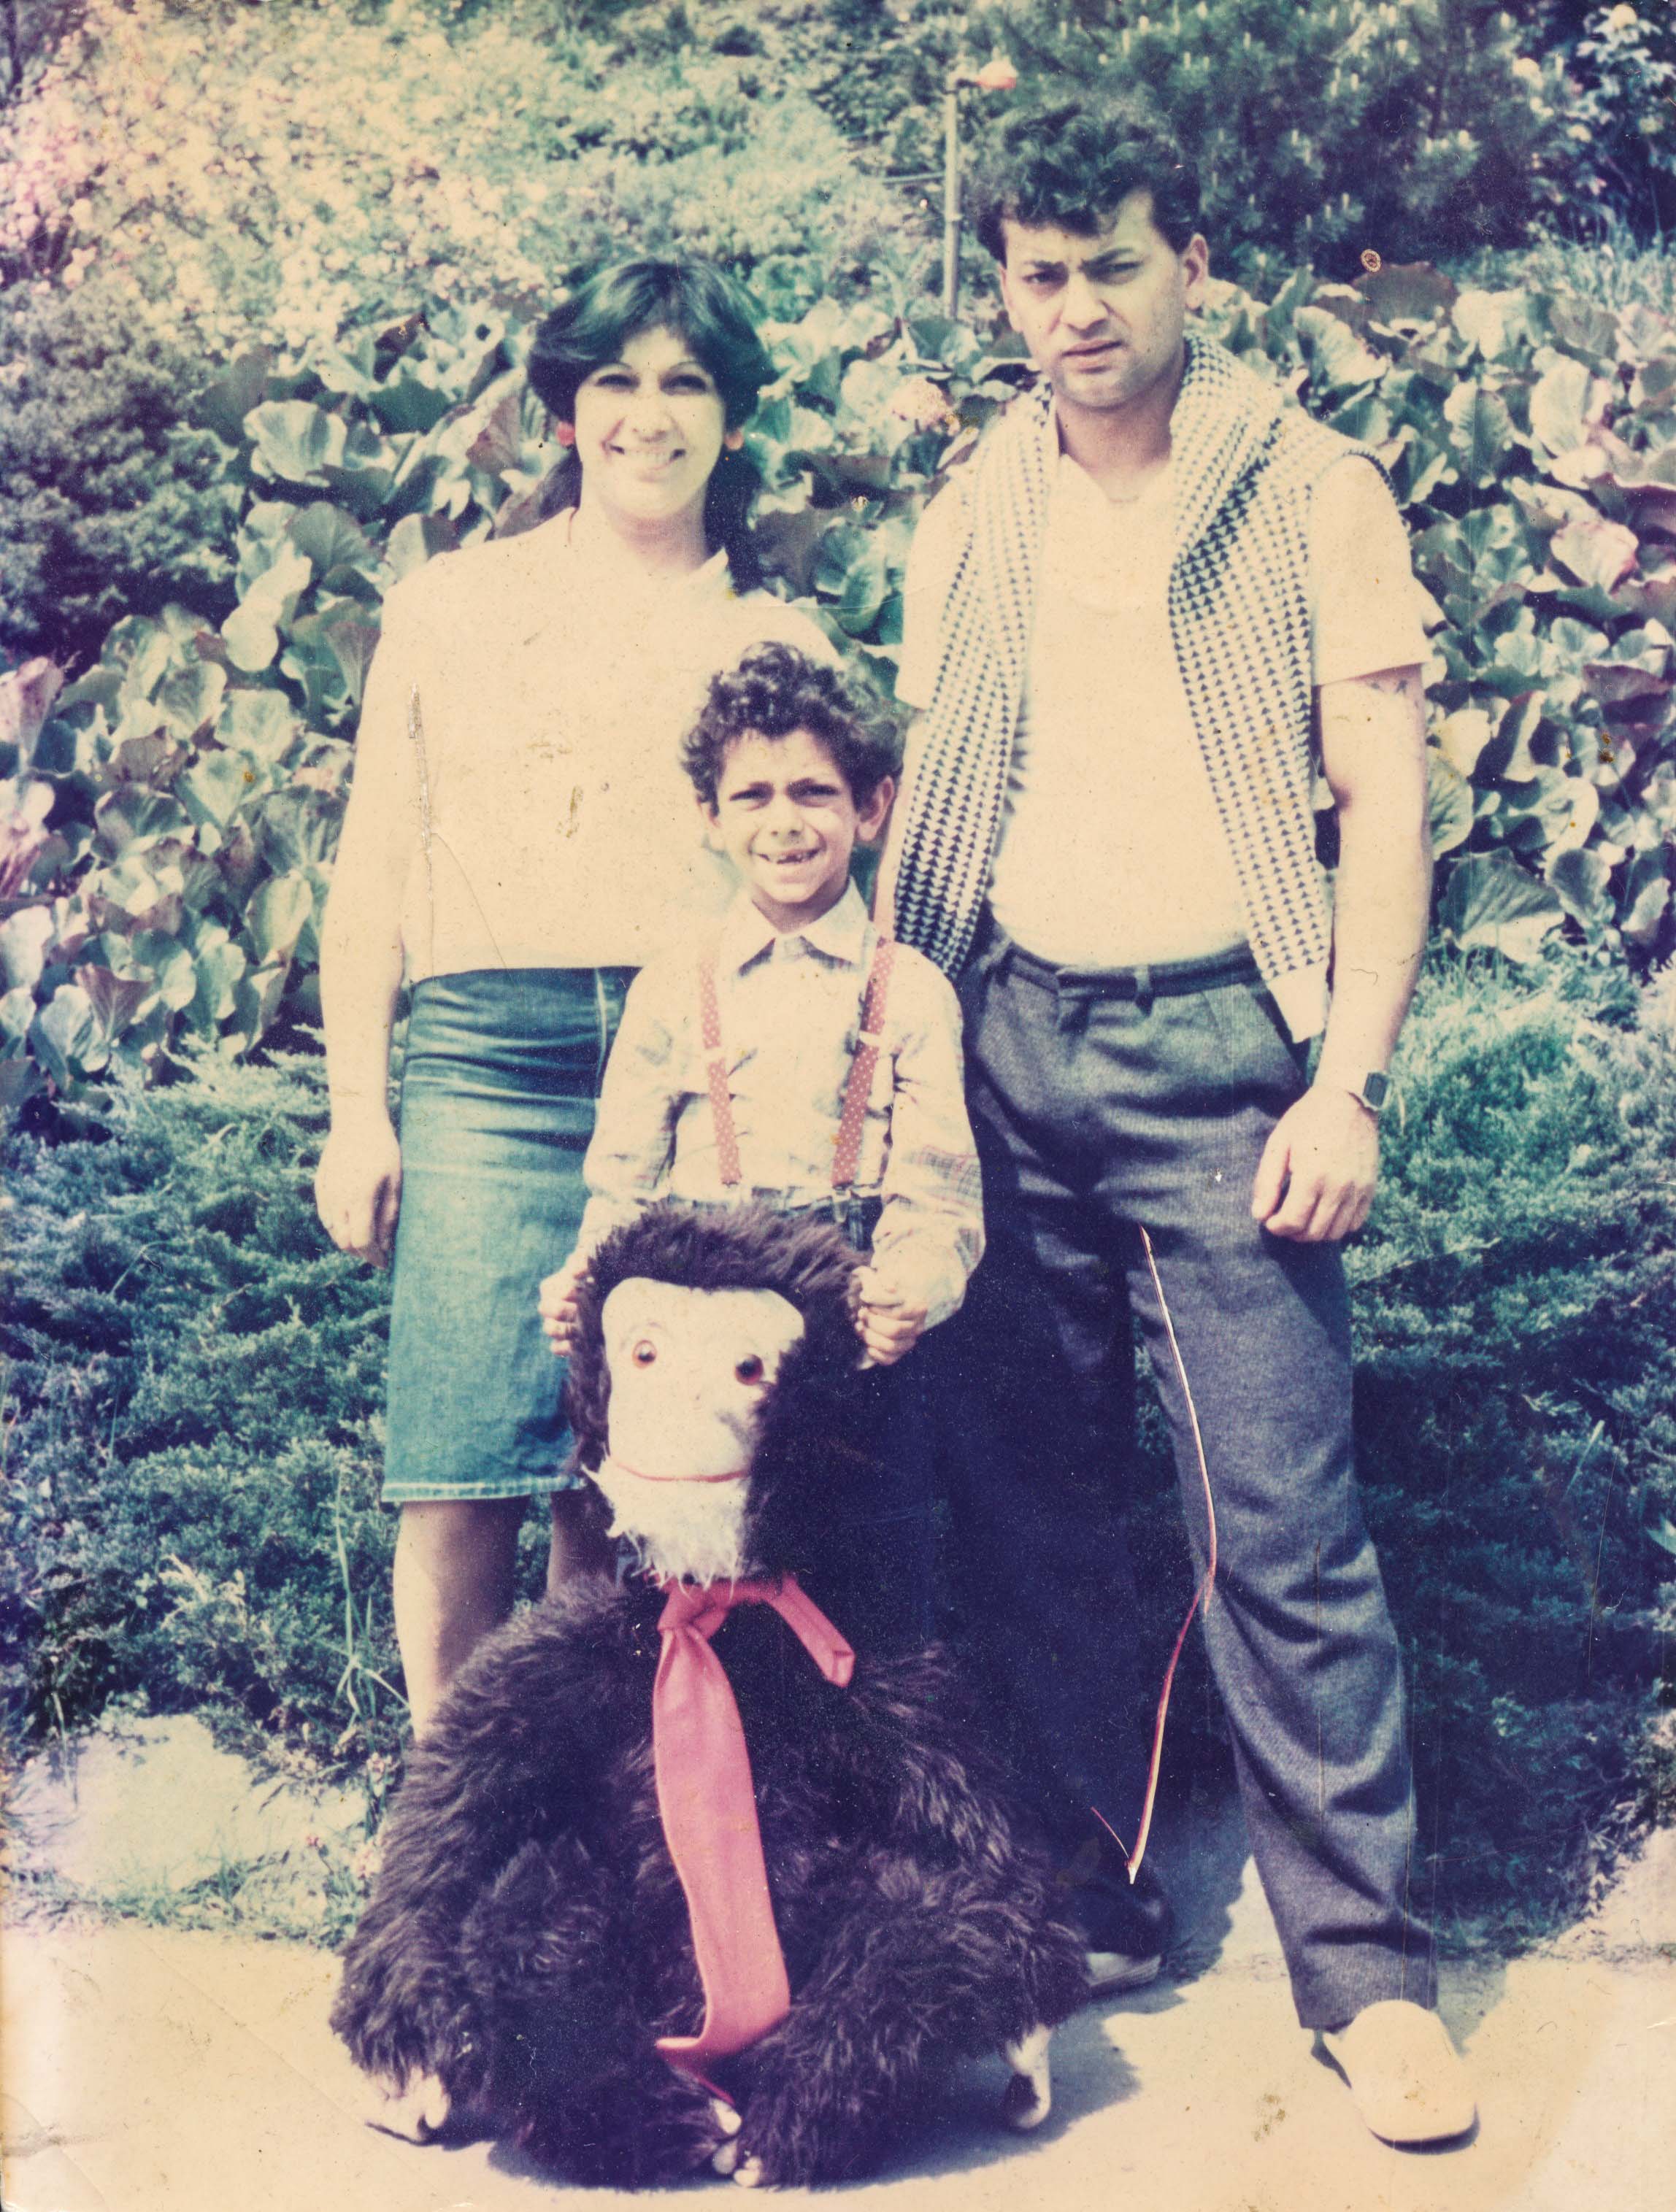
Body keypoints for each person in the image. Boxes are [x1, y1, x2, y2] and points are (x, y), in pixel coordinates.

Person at [879, 98, 1475, 2145]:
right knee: (1035, 1510)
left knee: (1279, 1534)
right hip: (1006, 1039)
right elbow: (934, 792)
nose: (1077, 310)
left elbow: (1381, 807)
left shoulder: (1309, 491)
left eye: (1114, 265)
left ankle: (1369, 1984)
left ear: (1194, 267)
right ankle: (1099, 1903)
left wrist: (1346, 1076)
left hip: (1232, 1050)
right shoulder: (975, 502)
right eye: (1039, 275)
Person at [314, 258, 829, 1738]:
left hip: (689, 1070)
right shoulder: (453, 606)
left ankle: (595, 1813)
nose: (647, 417)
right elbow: (374, 870)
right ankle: (448, 1812)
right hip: (488, 1064)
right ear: (563, 410)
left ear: (733, 418)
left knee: (631, 1478)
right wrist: (357, 1110)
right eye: (616, 381)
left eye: (685, 384)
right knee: (459, 1468)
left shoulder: (779, 640)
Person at [538, 641, 983, 1653]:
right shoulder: (673, 985)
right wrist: (584, 1281)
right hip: (696, 1355)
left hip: (849, 1349)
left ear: (871, 808)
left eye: (815, 792)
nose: (785, 822)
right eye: (753, 796)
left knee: (869, 1612)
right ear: (711, 816)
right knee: (686, 1604)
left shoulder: (912, 992)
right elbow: (621, 1188)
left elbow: (941, 1199)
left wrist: (912, 1290)